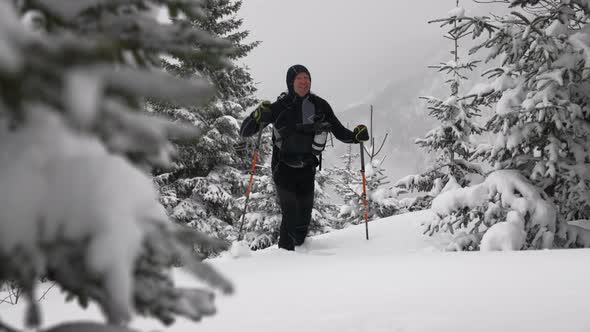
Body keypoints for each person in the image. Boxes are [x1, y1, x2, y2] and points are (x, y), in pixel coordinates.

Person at [239, 64, 369, 251]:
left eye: (306, 78)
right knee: (290, 214)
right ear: (291, 82)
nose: (304, 82)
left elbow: (339, 130)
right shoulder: (278, 107)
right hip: (283, 168)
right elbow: (245, 131)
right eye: (299, 78)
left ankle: (299, 254)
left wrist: (356, 137)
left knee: (303, 222)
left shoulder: (319, 106)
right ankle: (285, 256)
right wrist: (256, 116)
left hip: (307, 169)